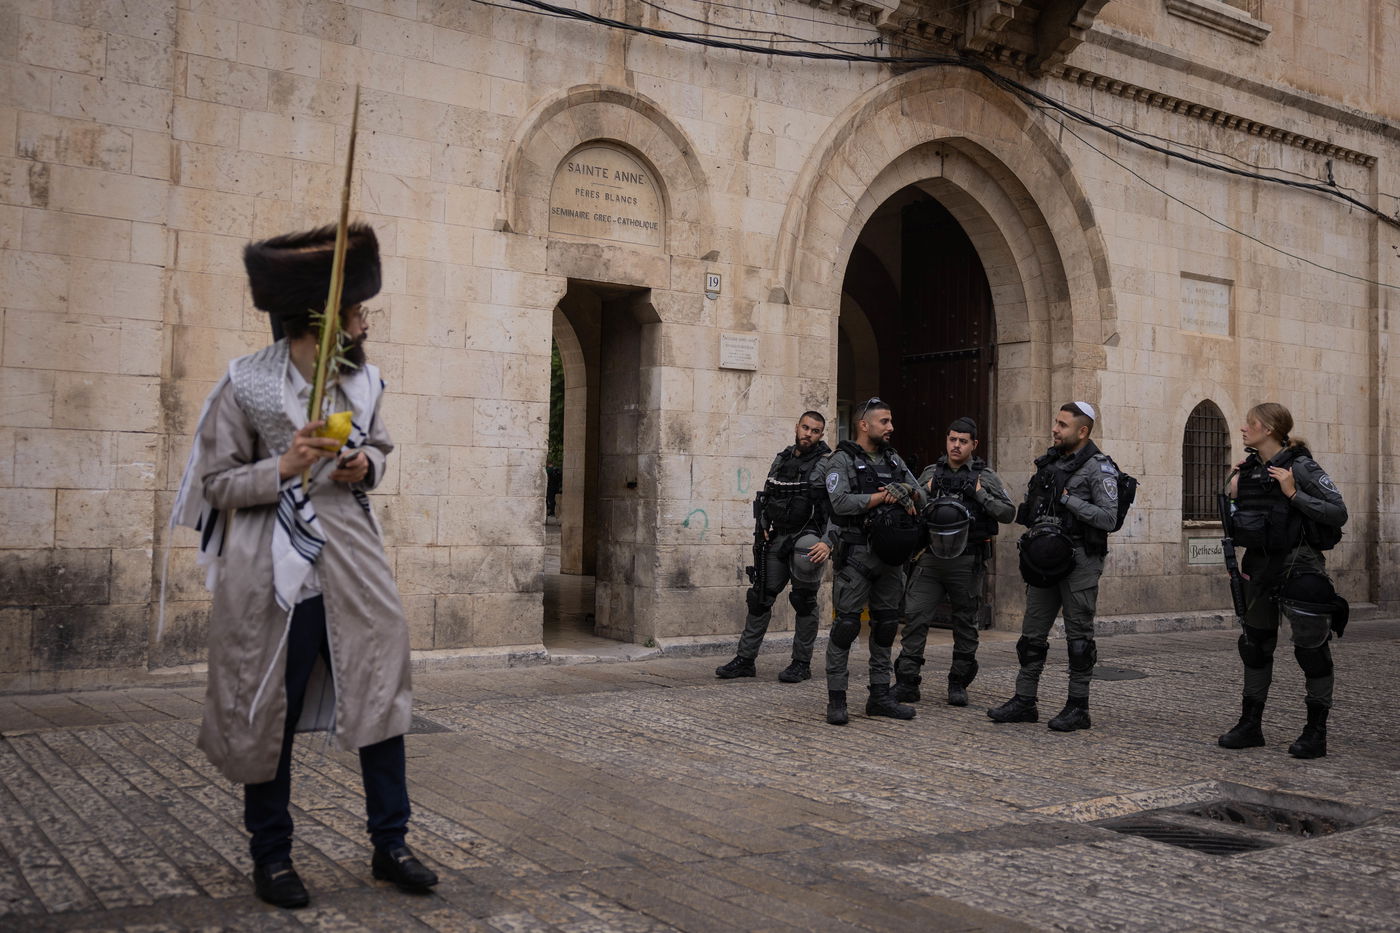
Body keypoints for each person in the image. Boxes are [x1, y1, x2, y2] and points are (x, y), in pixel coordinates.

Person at [169, 224, 437, 909]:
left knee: (381, 687)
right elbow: (216, 485)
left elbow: (379, 446)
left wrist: (360, 464)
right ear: (321, 317)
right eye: (355, 312)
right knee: (271, 708)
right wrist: (280, 467)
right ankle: (273, 853)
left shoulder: (362, 380)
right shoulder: (245, 385)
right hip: (269, 568)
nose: (364, 322)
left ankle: (392, 842)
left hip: (350, 556)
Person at [1217, 402, 1347, 758]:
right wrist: (1233, 489)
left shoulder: (1301, 466)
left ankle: (1315, 731)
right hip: (1259, 565)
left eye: (1251, 423)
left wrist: (1293, 493)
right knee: (1255, 647)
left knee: (1312, 650)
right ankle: (1250, 725)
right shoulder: (1250, 469)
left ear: (1269, 429)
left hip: (1298, 565)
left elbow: (1338, 511)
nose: (1244, 429)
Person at [988, 402, 1117, 732]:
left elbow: (1108, 518)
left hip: (1080, 562)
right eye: (1056, 423)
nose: (1055, 429)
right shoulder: (1052, 462)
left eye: (1062, 425)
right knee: (1031, 635)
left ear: (1082, 431)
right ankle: (1024, 700)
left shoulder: (1098, 468)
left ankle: (1078, 707)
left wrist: (1068, 499)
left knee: (1079, 639)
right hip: (1044, 561)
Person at [895, 417, 1015, 707]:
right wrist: (913, 494)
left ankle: (958, 682)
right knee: (915, 618)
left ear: (974, 444)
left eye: (963, 441)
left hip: (967, 561)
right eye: (952, 439)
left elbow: (1008, 512)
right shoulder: (929, 473)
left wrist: (980, 494)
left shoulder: (985, 476)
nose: (956, 446)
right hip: (931, 560)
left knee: (965, 623)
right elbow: (915, 502)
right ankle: (907, 683)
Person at [821, 398, 926, 725]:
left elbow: (923, 494)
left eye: (890, 421)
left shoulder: (894, 460)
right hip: (856, 557)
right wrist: (883, 496)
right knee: (846, 628)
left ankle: (879, 696)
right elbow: (839, 503)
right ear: (864, 425)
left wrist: (905, 489)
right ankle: (837, 699)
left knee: (885, 628)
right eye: (884, 421)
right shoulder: (840, 460)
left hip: (891, 559)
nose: (890, 427)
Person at [716, 412, 833, 682]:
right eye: (805, 427)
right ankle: (745, 659)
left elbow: (837, 507)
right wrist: (764, 524)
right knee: (759, 597)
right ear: (797, 427)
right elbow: (767, 494)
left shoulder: (828, 463)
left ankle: (801, 663)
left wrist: (829, 542)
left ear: (821, 435)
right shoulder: (782, 459)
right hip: (777, 537)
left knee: (803, 601)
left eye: (815, 431)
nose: (809, 434)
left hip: (808, 538)